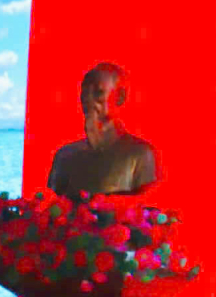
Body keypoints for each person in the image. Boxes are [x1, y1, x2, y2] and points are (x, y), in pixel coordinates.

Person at [46, 62, 158, 200]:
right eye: (84, 93)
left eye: (98, 93)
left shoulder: (141, 155)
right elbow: (50, 205)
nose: (88, 100)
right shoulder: (64, 156)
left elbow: (148, 206)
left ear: (120, 97)